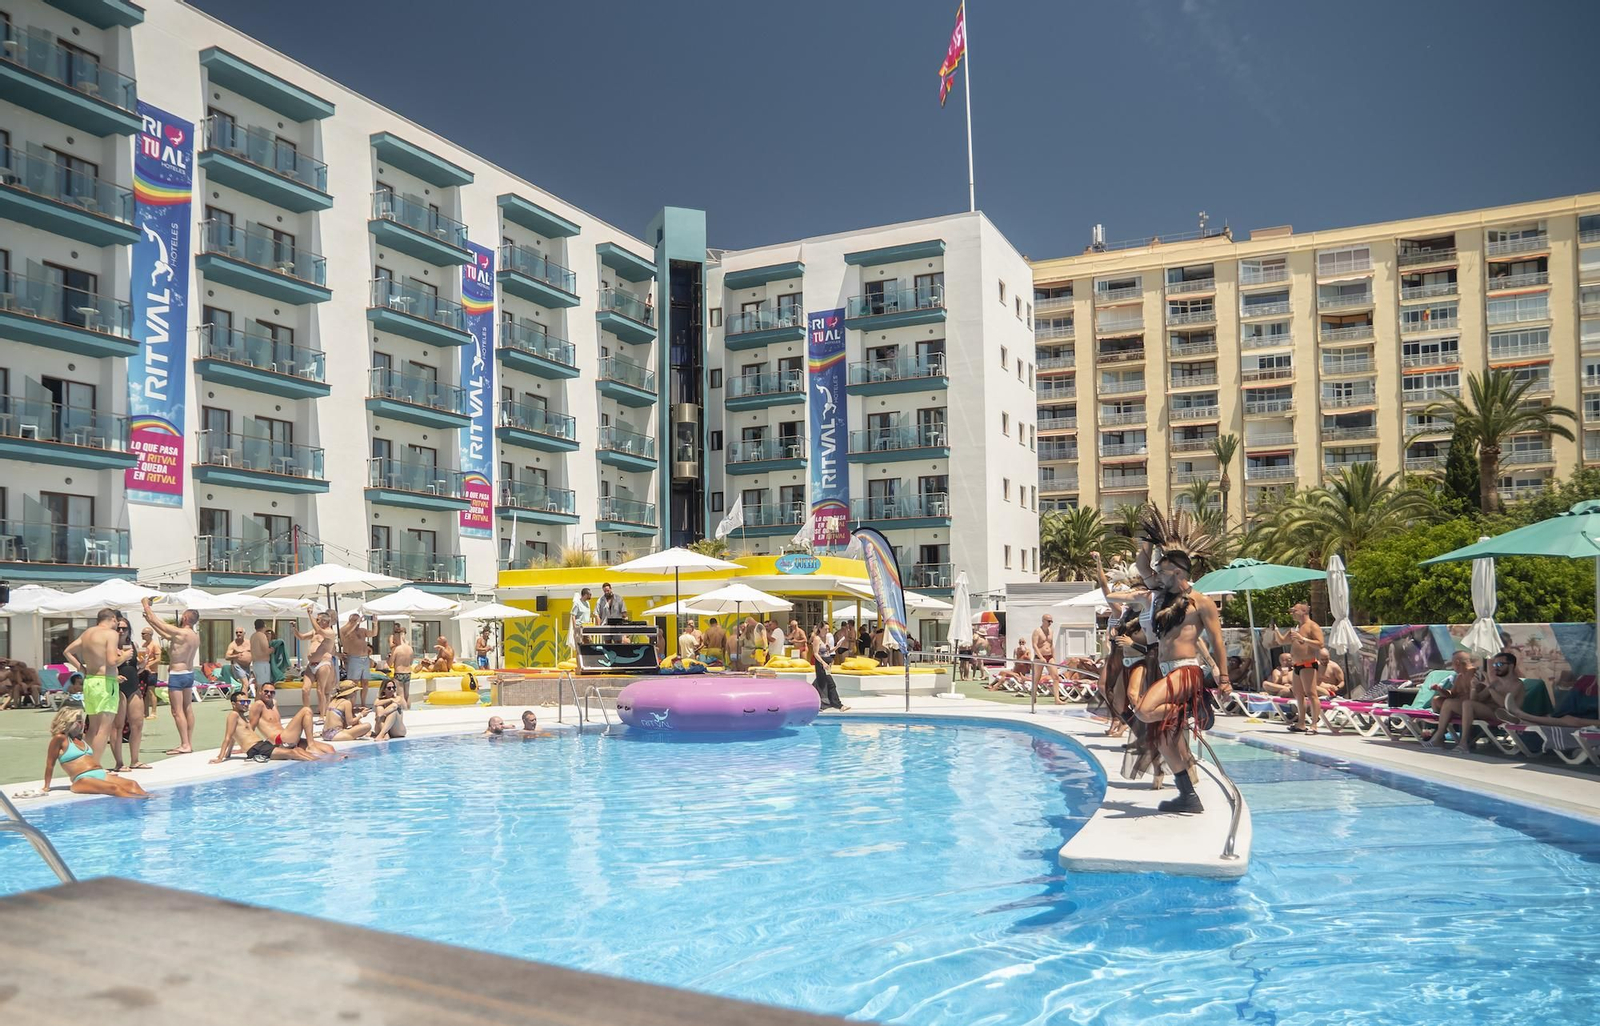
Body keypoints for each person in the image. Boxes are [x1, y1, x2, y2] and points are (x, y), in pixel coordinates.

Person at [64, 607, 130, 766]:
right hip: (105, 684)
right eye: (117, 622)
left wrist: (82, 669)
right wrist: (126, 656)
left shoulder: (87, 633)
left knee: (92, 728)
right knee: (104, 729)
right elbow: (112, 661)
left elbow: (67, 652)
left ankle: (83, 764)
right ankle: (94, 766)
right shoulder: (110, 634)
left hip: (90, 681)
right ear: (113, 619)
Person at [39, 707, 151, 798]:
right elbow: (50, 764)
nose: (81, 724)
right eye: (77, 722)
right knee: (115, 788)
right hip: (82, 779)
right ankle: (138, 801)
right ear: (68, 723)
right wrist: (46, 786)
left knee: (133, 784)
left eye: (81, 721)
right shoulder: (60, 739)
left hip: (99, 774)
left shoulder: (80, 739)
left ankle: (148, 800)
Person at [1433, 649, 1524, 751]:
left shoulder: (1517, 684)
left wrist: (1489, 687)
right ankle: (1439, 737)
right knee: (1449, 703)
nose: (1495, 668)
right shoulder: (1496, 683)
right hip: (1490, 711)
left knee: (1468, 704)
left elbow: (1504, 704)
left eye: (1499, 664)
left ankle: (1463, 743)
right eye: (1494, 665)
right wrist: (1473, 687)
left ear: (1511, 666)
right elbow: (1476, 699)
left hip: (1505, 715)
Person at [142, 598, 201, 754]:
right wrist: (149, 620)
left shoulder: (180, 632)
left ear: (186, 618)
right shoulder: (194, 636)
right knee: (187, 708)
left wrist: (146, 605)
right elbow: (164, 633)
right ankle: (188, 742)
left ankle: (185, 744)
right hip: (188, 673)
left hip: (177, 674)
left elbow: (160, 623)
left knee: (176, 711)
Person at [211, 692, 316, 763]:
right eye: (242, 702)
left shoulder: (242, 717)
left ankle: (318, 761)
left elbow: (234, 737)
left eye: (247, 702)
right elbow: (228, 737)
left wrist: (229, 754)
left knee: (298, 750)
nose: (246, 704)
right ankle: (317, 764)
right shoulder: (233, 715)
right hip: (255, 749)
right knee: (292, 753)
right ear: (233, 704)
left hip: (262, 745)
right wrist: (221, 757)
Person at [1270, 604, 1326, 734]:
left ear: (1304, 611)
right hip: (1296, 666)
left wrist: (1304, 639)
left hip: (1308, 664)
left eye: (1294, 611)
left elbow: (1320, 644)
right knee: (1298, 694)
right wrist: (1275, 630)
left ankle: (1314, 725)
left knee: (1311, 694)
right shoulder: (1296, 628)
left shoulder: (1313, 626)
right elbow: (1282, 641)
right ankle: (1301, 723)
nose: (1292, 614)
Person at [108, 614, 150, 772]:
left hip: (133, 685)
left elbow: (137, 669)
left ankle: (135, 760)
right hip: (117, 688)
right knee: (117, 726)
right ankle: (119, 763)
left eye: (124, 628)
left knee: (137, 724)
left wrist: (142, 664)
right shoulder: (109, 647)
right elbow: (106, 666)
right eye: (117, 628)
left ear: (129, 630)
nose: (120, 631)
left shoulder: (133, 645)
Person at [248, 682, 333, 756]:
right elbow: (251, 727)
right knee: (306, 710)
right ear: (260, 692)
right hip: (279, 741)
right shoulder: (258, 705)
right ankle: (311, 746)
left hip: (289, 738)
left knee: (329, 748)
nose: (269, 694)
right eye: (266, 691)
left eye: (272, 692)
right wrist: (248, 745)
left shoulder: (274, 703)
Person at [293, 612, 338, 719]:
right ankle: (306, 713)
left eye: (318, 619)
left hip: (323, 663)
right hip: (311, 664)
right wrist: (294, 628)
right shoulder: (314, 632)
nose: (316, 621)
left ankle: (322, 716)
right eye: (316, 619)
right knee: (305, 689)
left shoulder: (330, 632)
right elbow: (301, 637)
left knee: (320, 690)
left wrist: (309, 614)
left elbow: (319, 630)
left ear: (325, 621)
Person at [810, 625, 847, 711]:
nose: (827, 631)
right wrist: (823, 663)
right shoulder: (817, 639)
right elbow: (816, 653)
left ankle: (813, 702)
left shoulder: (826, 638)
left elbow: (828, 651)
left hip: (827, 663)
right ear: (820, 629)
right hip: (821, 664)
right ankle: (839, 705)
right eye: (825, 629)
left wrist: (837, 646)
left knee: (820, 683)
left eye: (828, 629)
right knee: (830, 684)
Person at [341, 613, 373, 706]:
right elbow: (346, 634)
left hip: (365, 659)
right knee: (353, 683)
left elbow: (374, 633)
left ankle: (363, 704)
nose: (357, 623)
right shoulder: (345, 630)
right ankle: (352, 705)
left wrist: (375, 623)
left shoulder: (362, 631)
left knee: (365, 682)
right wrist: (355, 623)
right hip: (354, 658)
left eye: (358, 620)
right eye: (355, 620)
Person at [1031, 614, 1059, 702]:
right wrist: (1041, 656)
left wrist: (1054, 658)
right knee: (1037, 678)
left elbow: (1051, 645)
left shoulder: (1051, 631)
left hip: (1049, 656)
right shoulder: (1037, 631)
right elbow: (1034, 645)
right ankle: (1033, 696)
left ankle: (1057, 699)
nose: (1050, 623)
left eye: (1051, 621)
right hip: (1039, 657)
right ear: (1043, 620)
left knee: (1056, 677)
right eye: (1049, 621)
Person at [388, 626, 414, 709]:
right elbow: (411, 662)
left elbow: (390, 663)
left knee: (401, 695)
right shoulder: (410, 648)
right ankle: (409, 710)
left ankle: (406, 712)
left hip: (399, 673)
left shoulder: (396, 649)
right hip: (408, 673)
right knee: (407, 695)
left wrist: (388, 658)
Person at [223, 628, 254, 695]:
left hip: (247, 667)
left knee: (245, 685)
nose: (238, 634)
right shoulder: (233, 645)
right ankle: (244, 699)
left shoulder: (249, 642)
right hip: (238, 666)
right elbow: (227, 657)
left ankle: (239, 698)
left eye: (240, 632)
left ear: (244, 633)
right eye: (237, 632)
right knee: (245, 684)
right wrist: (237, 655)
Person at [249, 619, 273, 692]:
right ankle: (260, 702)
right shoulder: (261, 635)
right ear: (264, 626)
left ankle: (257, 701)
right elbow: (265, 650)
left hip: (256, 664)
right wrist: (272, 649)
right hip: (263, 665)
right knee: (263, 686)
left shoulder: (253, 636)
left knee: (259, 686)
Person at [570, 587, 594, 655]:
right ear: (585, 594)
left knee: (589, 644)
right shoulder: (577, 603)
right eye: (590, 594)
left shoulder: (587, 603)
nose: (590, 596)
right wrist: (575, 627)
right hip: (579, 626)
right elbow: (573, 615)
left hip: (586, 627)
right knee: (579, 645)